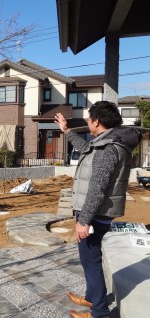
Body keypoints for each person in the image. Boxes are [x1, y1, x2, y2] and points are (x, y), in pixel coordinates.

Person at [54, 101, 141, 318]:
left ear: (97, 121)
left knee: (91, 261)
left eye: (89, 118)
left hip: (94, 214)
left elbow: (97, 188)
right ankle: (93, 298)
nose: (87, 121)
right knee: (89, 259)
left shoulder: (109, 148)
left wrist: (83, 221)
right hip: (96, 213)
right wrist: (67, 131)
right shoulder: (105, 143)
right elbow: (85, 149)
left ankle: (99, 313)